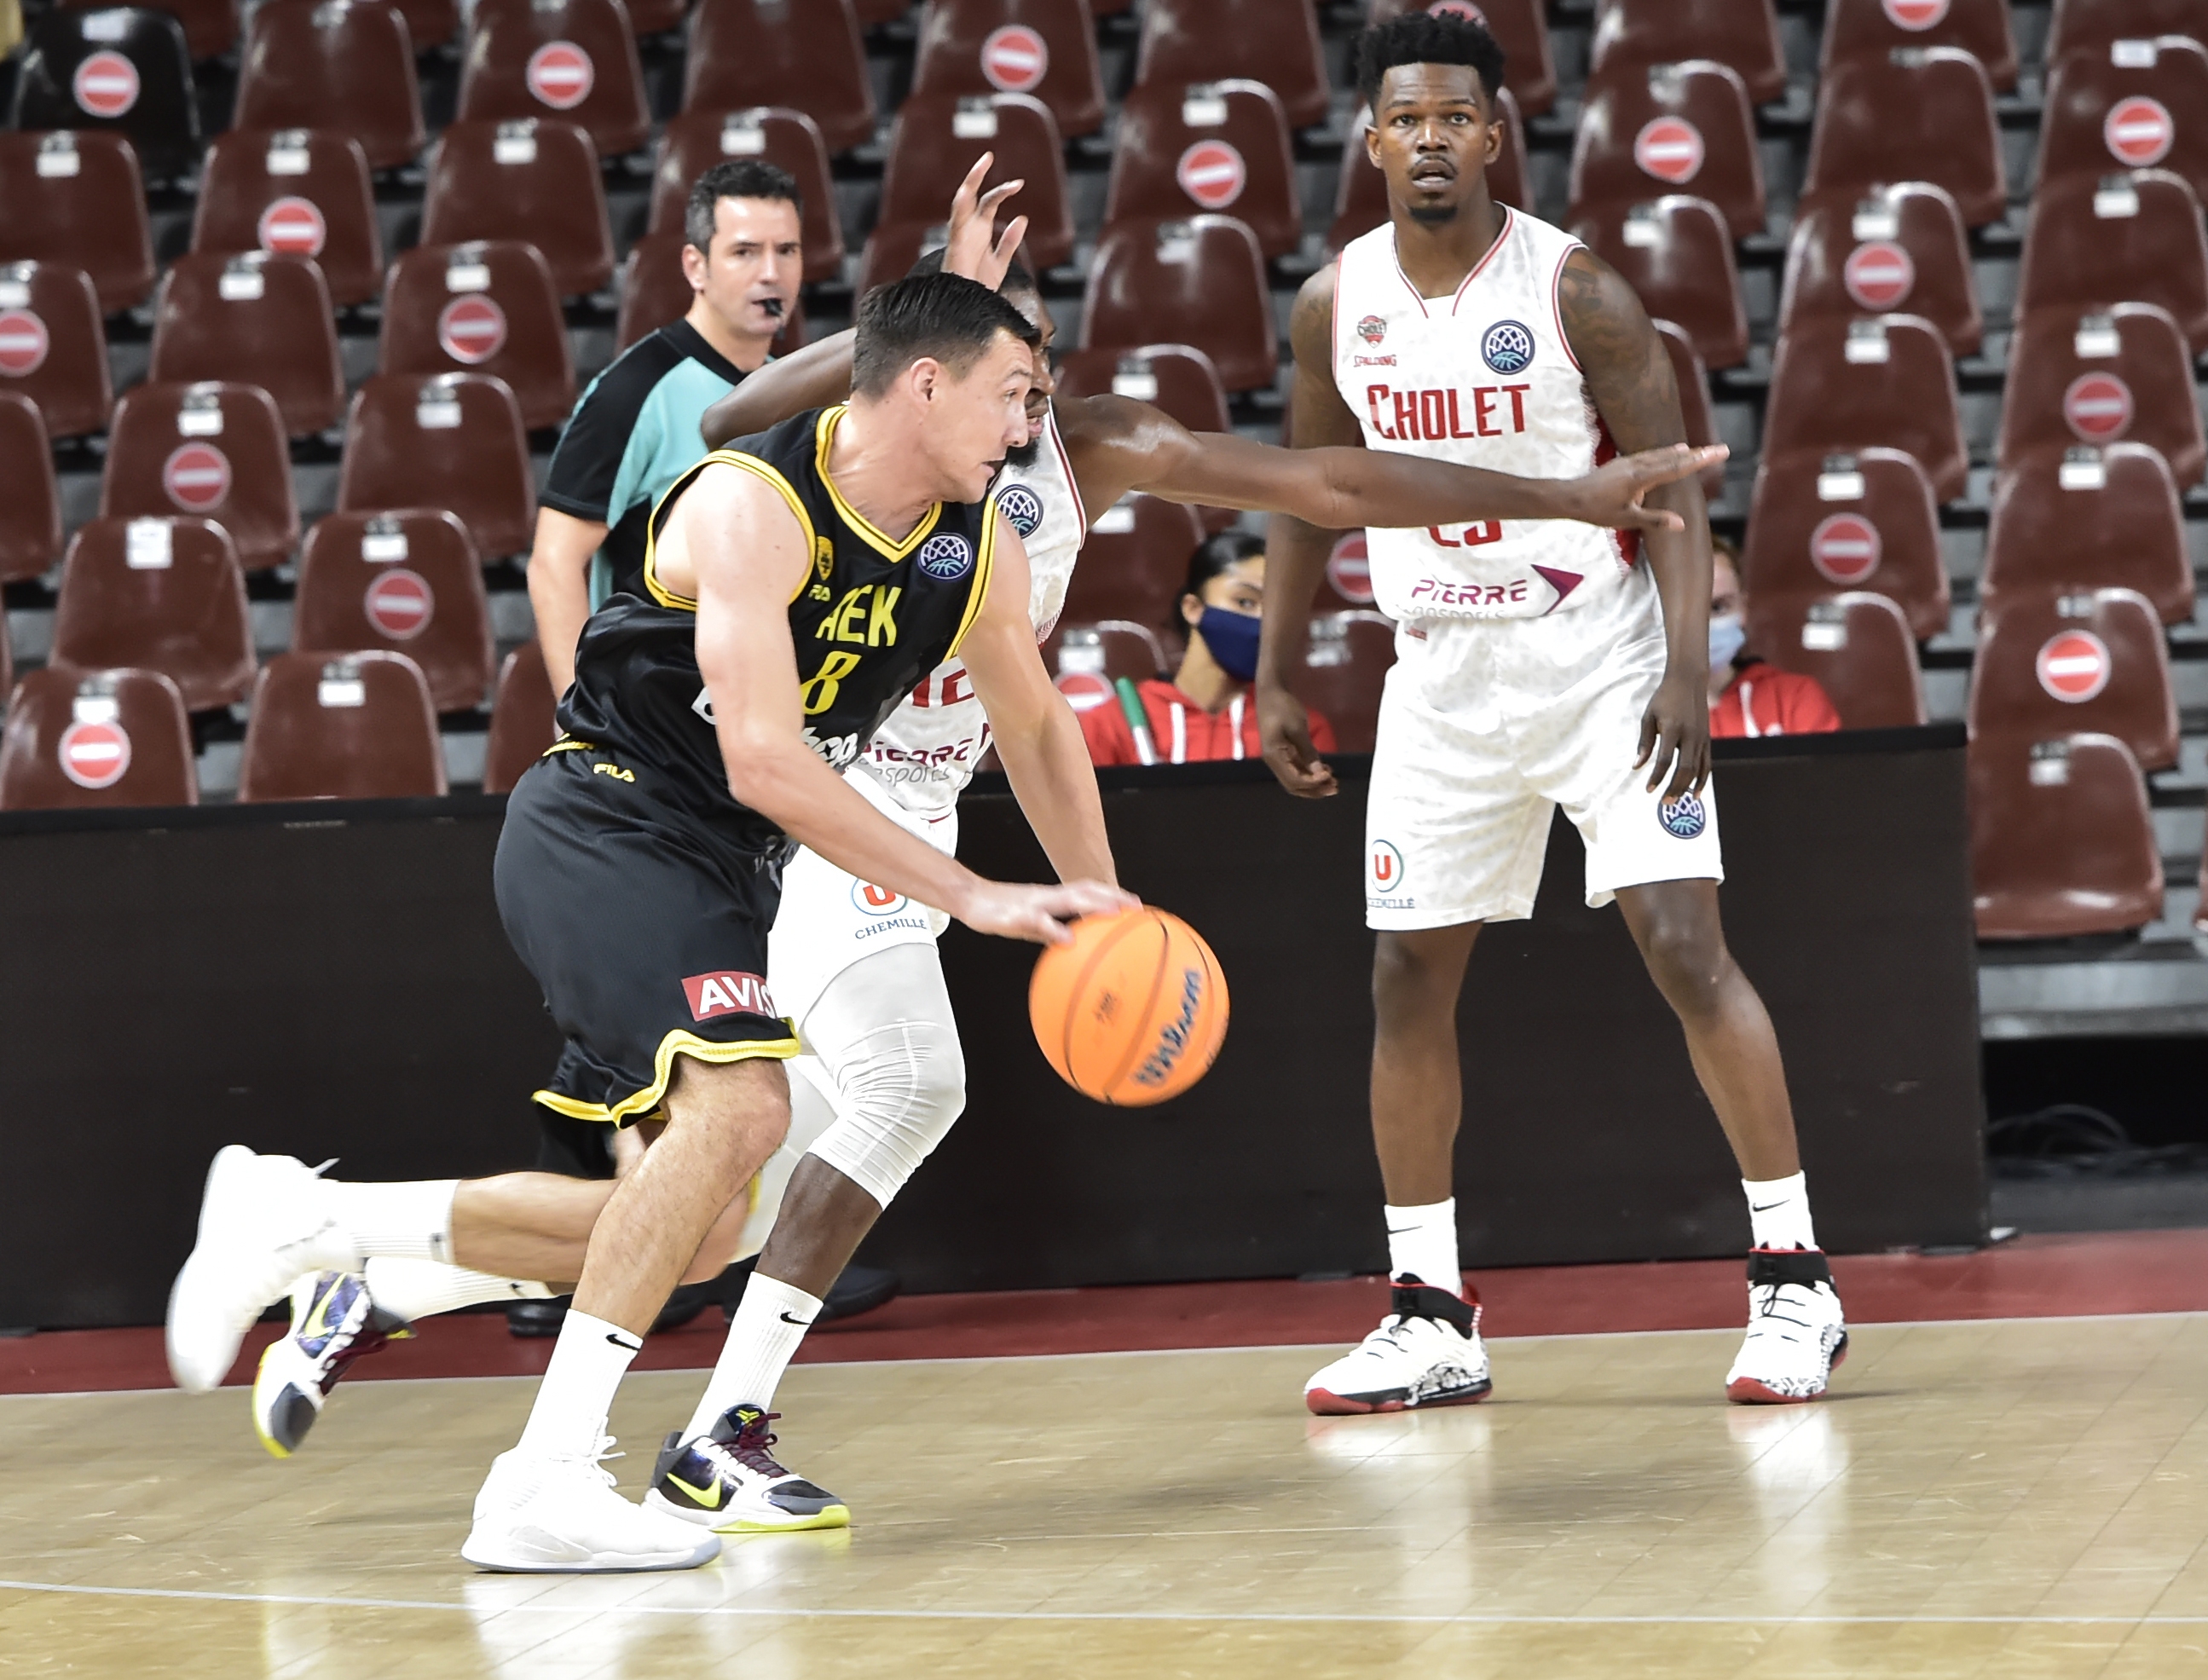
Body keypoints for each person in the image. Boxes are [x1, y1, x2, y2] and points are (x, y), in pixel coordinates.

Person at [205, 166, 1720, 1527]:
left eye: (1038, 378)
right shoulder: (831, 463)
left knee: (811, 1145)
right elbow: (742, 423)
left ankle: (508, 1327)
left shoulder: (1059, 471)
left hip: (900, 827)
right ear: (924, 379)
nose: (1025, 406)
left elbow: (1318, 492)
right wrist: (908, 290)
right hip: (801, 823)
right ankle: (405, 1275)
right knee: (724, 1186)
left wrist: (1561, 496)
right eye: (1000, 372)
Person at [165, 271, 1136, 1573]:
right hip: (609, 817)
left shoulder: (974, 548)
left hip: (720, 864)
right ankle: (542, 1480)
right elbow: (765, 760)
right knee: (748, 1110)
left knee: (702, 1217)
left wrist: (1105, 901)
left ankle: (325, 1224)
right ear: (925, 382)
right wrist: (968, 889)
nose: (1024, 430)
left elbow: (1028, 720)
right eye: (1013, 395)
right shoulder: (751, 504)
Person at [1256, 13, 1848, 1417]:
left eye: (1460, 116)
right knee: (1406, 979)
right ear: (1374, 138)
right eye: (1409, 118)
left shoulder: (1578, 290)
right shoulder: (1334, 303)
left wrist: (1688, 668)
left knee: (1685, 944)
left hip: (1594, 650)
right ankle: (1429, 1308)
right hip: (1439, 669)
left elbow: (1677, 482)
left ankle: (1795, 1279)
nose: (1435, 140)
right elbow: (1299, 488)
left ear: (1497, 133)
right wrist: (1280, 665)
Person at [529, 159, 802, 697]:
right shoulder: (632, 390)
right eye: (745, 252)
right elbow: (553, 561)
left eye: (786, 251)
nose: (771, 272)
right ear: (696, 267)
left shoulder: (796, 390)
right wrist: (579, 717)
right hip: (652, 706)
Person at [1080, 532, 1338, 766]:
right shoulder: (1110, 724)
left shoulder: (1297, 731)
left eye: (1275, 610)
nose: (1263, 621)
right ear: (1193, 608)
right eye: (1245, 601)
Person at [1707, 538, 1841, 739]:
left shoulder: (1794, 699)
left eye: (1718, 607)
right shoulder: (1642, 708)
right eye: (1683, 610)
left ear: (1743, 608)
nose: (1700, 625)